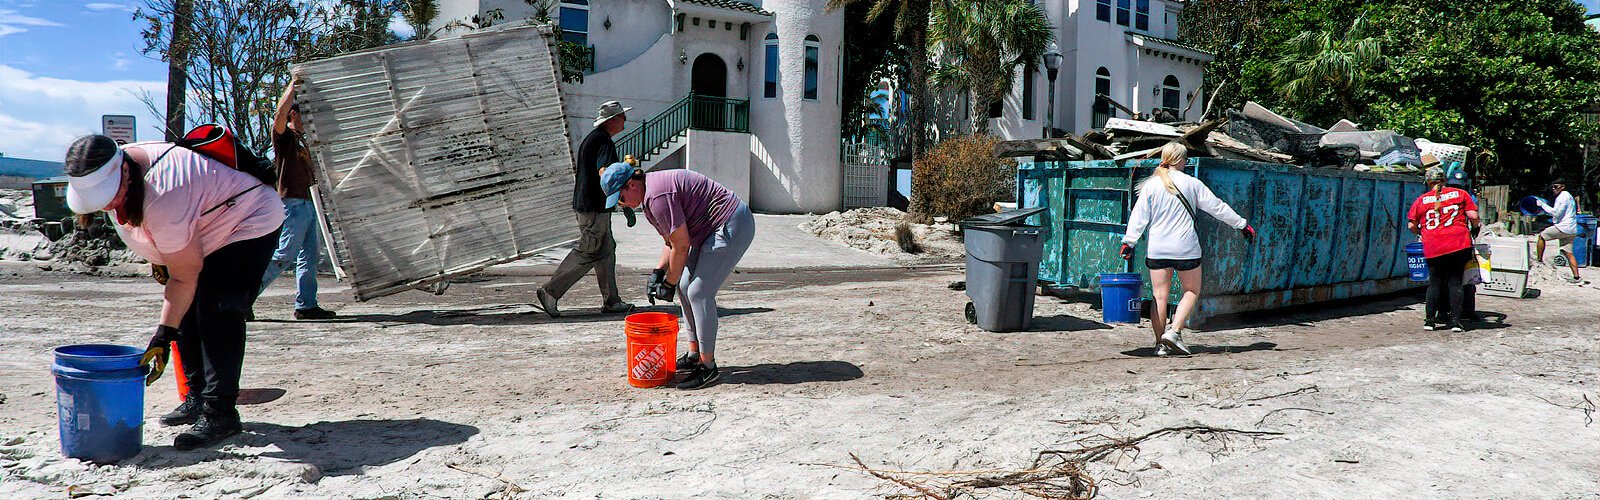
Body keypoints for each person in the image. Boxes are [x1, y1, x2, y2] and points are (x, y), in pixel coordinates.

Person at [63, 134, 284, 450]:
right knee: (188, 310)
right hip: (204, 223)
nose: (108, 206)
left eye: (109, 197)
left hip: (248, 219)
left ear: (124, 173)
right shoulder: (119, 167)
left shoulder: (164, 193)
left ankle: (220, 414)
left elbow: (183, 278)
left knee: (217, 309)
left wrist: (163, 335)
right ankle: (195, 396)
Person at [610, 163, 754, 389]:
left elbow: (681, 245)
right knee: (685, 285)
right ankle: (694, 353)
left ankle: (708, 367)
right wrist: (658, 272)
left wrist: (668, 281)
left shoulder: (657, 197)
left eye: (620, 198)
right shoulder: (649, 198)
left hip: (730, 223)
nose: (622, 205)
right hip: (708, 232)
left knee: (699, 292)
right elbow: (671, 241)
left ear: (632, 184)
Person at [1119, 143, 1254, 356]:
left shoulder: (1151, 186)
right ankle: (1174, 332)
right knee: (1191, 291)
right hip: (1186, 249)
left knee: (1159, 297)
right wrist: (1242, 224)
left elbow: (1139, 216)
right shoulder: (1192, 183)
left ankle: (1160, 345)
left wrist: (1129, 242)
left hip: (1158, 249)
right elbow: (1217, 207)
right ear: (1181, 160)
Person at [535, 101, 635, 317]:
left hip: (591, 207)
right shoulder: (603, 142)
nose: (625, 121)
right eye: (622, 117)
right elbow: (604, 172)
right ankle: (550, 291)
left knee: (606, 250)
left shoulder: (596, 138)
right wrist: (621, 193)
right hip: (594, 209)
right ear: (612, 120)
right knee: (589, 251)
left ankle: (611, 300)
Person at [257, 77, 336, 320]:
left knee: (309, 257)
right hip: (292, 202)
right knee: (284, 256)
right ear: (293, 115)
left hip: (309, 203)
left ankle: (306, 305)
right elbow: (278, 115)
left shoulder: (304, 141)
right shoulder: (285, 138)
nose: (307, 120)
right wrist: (292, 87)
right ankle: (240, 298)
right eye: (302, 114)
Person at [1407, 166, 1480, 332]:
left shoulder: (1421, 200)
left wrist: (1422, 232)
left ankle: (1430, 321)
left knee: (1434, 283)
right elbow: (1474, 217)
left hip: (1433, 245)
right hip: (1458, 243)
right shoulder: (1461, 194)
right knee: (1455, 282)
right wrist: (1475, 229)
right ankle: (1455, 321)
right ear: (1444, 180)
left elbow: (1411, 225)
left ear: (1428, 182)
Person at [1534, 179, 1583, 284]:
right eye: (1552, 187)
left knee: (1541, 236)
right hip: (1572, 229)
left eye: (1556, 187)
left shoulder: (1562, 197)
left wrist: (1542, 205)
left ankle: (1539, 261)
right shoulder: (1568, 196)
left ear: (1562, 186)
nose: (1553, 189)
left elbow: (1556, 213)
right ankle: (1577, 277)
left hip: (1563, 227)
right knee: (1568, 253)